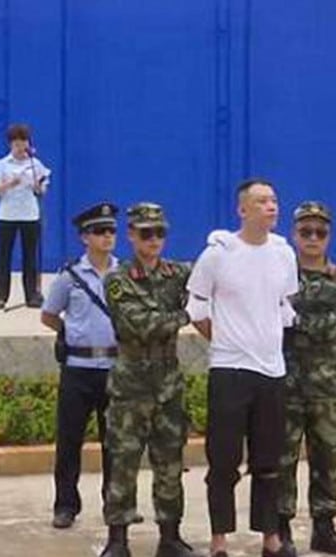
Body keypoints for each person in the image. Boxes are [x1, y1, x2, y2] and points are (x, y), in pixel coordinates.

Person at [186, 178, 298, 557]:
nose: (271, 207)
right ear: (242, 210)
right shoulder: (218, 254)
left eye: (274, 200)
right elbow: (196, 308)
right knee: (224, 460)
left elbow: (285, 306)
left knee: (269, 460)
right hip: (230, 370)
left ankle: (269, 535)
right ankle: (219, 538)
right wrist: (224, 339)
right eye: (262, 201)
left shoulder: (283, 253)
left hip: (272, 371)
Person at [99, 203, 198, 557]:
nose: (154, 240)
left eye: (159, 233)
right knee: (123, 464)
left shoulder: (178, 273)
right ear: (131, 235)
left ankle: (170, 537)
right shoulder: (118, 279)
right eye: (146, 233)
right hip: (131, 387)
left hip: (168, 386)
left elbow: (214, 282)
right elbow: (138, 325)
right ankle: (117, 540)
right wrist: (185, 315)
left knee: (170, 464)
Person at [277, 201, 336, 556]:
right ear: (294, 235)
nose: (313, 238)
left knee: (327, 460)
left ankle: (324, 528)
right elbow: (270, 319)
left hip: (326, 387)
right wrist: (293, 321)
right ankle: (280, 528)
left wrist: (294, 320)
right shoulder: (279, 276)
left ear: (329, 236)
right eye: (306, 231)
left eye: (320, 232)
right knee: (282, 460)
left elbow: (335, 325)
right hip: (286, 384)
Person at [41, 203, 120, 530]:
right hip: (78, 368)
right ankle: (65, 505)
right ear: (85, 237)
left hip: (114, 367)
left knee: (115, 443)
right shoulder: (70, 277)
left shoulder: (125, 274)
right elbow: (49, 315)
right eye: (100, 231)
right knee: (70, 441)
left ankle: (115, 503)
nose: (107, 237)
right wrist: (71, 332)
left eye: (111, 230)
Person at [0, 123, 51, 309]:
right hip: (7, 216)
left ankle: (32, 295)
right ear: (10, 144)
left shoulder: (35, 164)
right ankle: (1, 296)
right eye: (16, 143)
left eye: (24, 142)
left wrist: (38, 187)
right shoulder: (2, 164)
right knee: (3, 256)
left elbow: (43, 190)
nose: (21, 147)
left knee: (30, 256)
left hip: (29, 215)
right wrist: (10, 183)